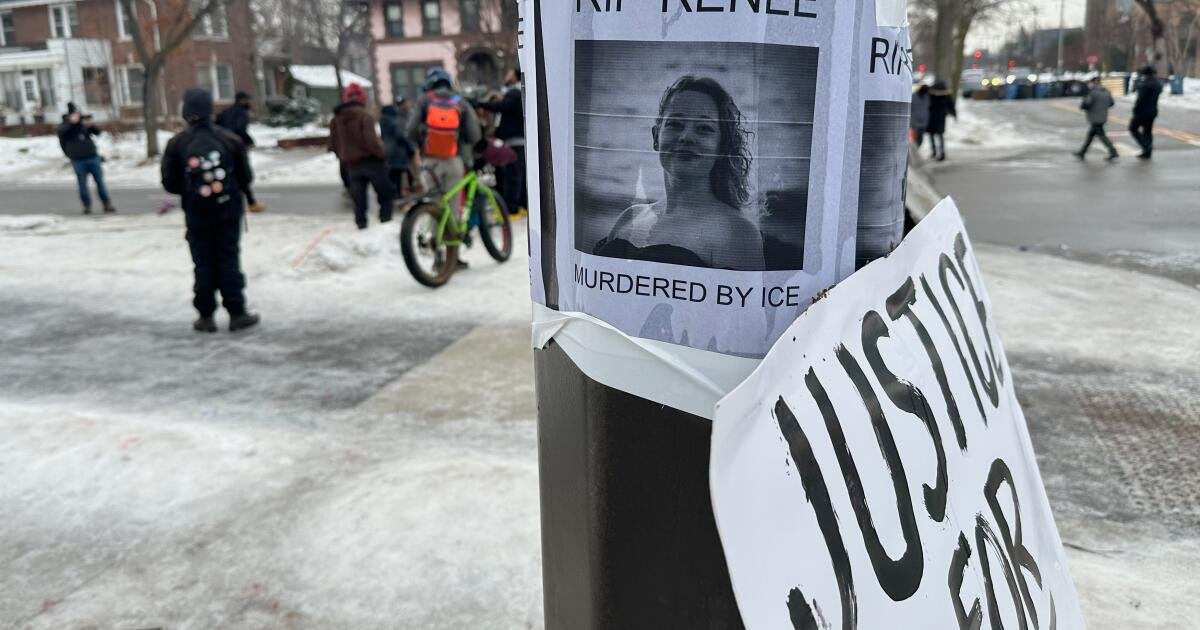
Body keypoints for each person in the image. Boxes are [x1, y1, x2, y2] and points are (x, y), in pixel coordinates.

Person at [593, 75, 763, 271]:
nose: (686, 137)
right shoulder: (630, 216)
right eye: (675, 124)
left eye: (704, 128)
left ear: (722, 146)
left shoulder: (737, 232)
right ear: (656, 137)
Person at [161, 88, 259, 333]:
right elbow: (246, 177)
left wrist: (191, 190)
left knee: (202, 262)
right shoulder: (230, 139)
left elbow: (169, 183)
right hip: (228, 211)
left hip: (196, 213)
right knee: (228, 258)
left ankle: (205, 316)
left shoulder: (177, 143)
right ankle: (236, 313)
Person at [406, 69, 483, 209]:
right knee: (453, 204)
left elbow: (411, 129)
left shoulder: (424, 100)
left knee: (432, 204)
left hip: (430, 161)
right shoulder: (459, 101)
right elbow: (474, 134)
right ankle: (452, 223)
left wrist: (422, 141)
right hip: (454, 159)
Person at [330, 82, 394, 229]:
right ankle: (385, 224)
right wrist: (382, 154)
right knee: (385, 195)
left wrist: (344, 156)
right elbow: (371, 141)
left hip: (351, 165)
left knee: (359, 200)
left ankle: (361, 226)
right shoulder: (364, 116)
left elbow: (333, 144)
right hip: (372, 162)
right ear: (362, 99)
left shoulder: (336, 119)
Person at [476, 68, 527, 215]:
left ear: (515, 76)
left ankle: (512, 209)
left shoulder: (514, 93)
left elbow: (501, 107)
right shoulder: (516, 94)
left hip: (514, 142)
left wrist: (480, 103)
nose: (506, 75)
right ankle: (520, 206)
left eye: (509, 73)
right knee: (516, 175)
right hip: (514, 142)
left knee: (513, 176)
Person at [57, 102, 115, 215]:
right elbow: (62, 133)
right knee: (82, 184)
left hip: (92, 157)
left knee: (100, 182)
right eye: (74, 115)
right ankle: (86, 205)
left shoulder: (82, 124)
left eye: (77, 114)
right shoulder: (65, 125)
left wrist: (90, 125)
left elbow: (97, 132)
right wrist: (72, 123)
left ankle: (106, 203)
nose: (77, 117)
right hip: (78, 160)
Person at [216, 90, 266, 212]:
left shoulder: (225, 112)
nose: (248, 102)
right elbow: (240, 129)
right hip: (237, 147)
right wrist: (249, 141)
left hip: (223, 146)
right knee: (242, 175)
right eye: (246, 99)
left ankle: (226, 201)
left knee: (226, 174)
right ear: (242, 100)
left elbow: (216, 126)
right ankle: (251, 203)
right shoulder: (241, 113)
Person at [1074, 77, 1118, 161]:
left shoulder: (1092, 92)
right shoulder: (1106, 91)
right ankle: (1082, 152)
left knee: (1102, 136)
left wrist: (1083, 105)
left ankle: (1113, 151)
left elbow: (1087, 103)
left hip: (1095, 117)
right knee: (1090, 135)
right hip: (1103, 116)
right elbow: (1111, 103)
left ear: (1093, 83)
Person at [379, 100, 417, 197]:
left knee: (393, 173)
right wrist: (409, 146)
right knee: (399, 172)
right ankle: (398, 193)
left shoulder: (383, 122)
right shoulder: (393, 122)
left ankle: (394, 193)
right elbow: (400, 136)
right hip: (397, 150)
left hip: (388, 150)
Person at [1130, 66, 1163, 160]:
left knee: (1133, 128)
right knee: (1147, 131)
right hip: (1152, 110)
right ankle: (1147, 151)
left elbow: (1140, 99)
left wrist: (1135, 109)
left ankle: (1146, 147)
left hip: (1142, 111)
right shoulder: (1157, 84)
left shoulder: (1144, 84)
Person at [927, 80, 956, 162]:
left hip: (932, 117)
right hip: (941, 117)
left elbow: (926, 104)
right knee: (940, 135)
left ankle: (934, 152)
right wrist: (954, 114)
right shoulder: (946, 95)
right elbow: (950, 105)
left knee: (932, 135)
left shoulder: (931, 94)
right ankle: (942, 153)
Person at [910, 84, 931, 149]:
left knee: (920, 139)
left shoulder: (927, 97)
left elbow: (927, 108)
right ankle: (914, 151)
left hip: (923, 121)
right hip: (914, 121)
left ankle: (916, 150)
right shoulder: (913, 96)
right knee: (914, 138)